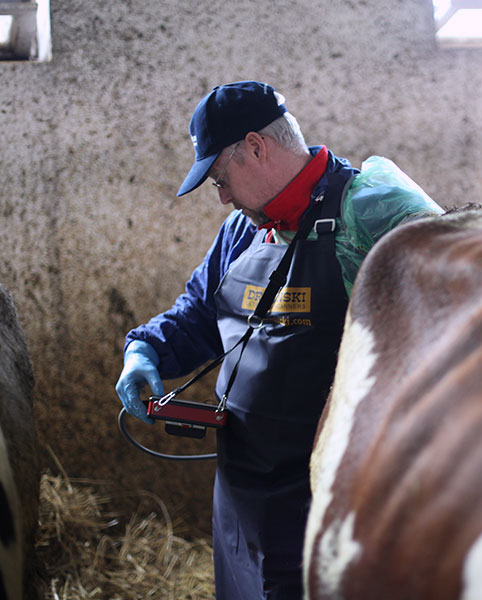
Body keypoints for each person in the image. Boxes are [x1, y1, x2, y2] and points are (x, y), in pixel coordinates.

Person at [115, 80, 443, 599]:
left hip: (330, 503)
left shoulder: (370, 215)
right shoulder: (243, 229)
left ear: (256, 147)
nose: (221, 197)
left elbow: (442, 342)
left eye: (221, 179)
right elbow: (198, 313)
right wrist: (145, 350)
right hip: (242, 497)